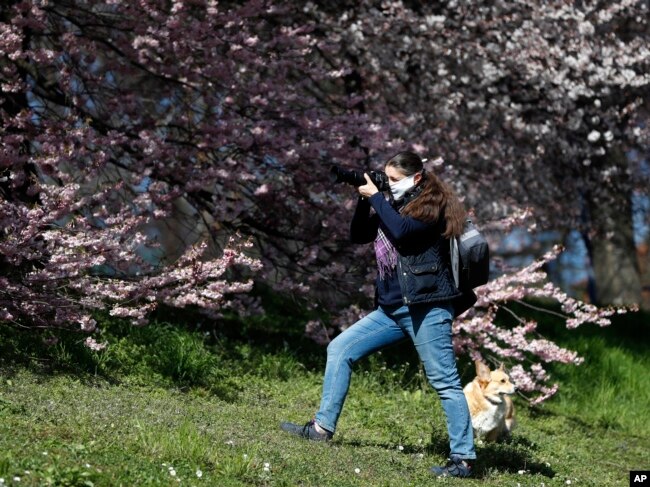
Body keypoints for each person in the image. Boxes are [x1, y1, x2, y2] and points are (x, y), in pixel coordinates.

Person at [280, 151, 476, 478]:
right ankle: (321, 429)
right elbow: (360, 235)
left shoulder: (433, 207)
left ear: (416, 179)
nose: (392, 186)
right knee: (339, 349)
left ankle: (464, 460)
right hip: (392, 309)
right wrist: (365, 197)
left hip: (427, 307)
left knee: (445, 382)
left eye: (396, 180)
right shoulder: (393, 204)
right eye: (389, 179)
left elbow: (401, 233)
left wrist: (377, 198)